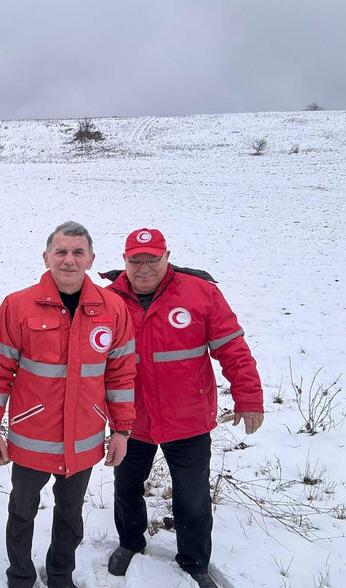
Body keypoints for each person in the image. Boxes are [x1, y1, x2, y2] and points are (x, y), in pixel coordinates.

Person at [101, 228, 264, 588]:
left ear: (167, 256)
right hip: (132, 419)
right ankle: (130, 542)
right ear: (124, 260)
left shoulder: (200, 293)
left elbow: (232, 348)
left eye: (152, 259)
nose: (144, 268)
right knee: (127, 487)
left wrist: (248, 396)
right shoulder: (108, 299)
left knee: (192, 495)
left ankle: (194, 560)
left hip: (187, 417)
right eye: (135, 260)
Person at [0, 221, 137, 588]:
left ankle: (60, 573)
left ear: (91, 258)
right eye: (61, 251)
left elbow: (121, 376)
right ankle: (19, 575)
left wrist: (122, 430)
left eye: (78, 252)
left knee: (70, 513)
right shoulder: (17, 305)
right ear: (46, 256)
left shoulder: (113, 308)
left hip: (83, 437)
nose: (69, 260)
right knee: (21, 511)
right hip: (32, 436)